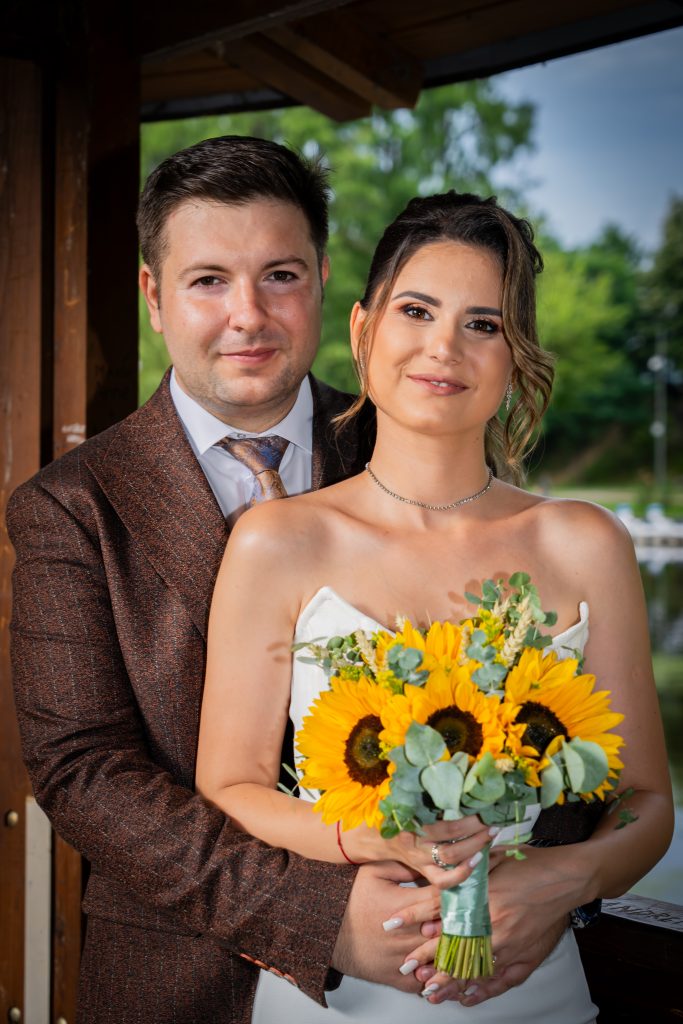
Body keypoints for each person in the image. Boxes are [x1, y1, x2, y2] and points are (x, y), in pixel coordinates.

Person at [7, 136, 461, 1024]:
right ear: (154, 296)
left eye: (279, 275)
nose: (247, 315)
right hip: (179, 978)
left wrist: (527, 872)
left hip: (439, 962)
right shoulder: (70, 506)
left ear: (321, 278)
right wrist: (318, 917)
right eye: (208, 280)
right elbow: (82, 769)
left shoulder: (418, 451)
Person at [196, 190, 674, 1022]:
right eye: (416, 310)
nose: (443, 347)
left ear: (515, 356)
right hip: (335, 995)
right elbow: (229, 784)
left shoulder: (584, 543)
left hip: (536, 991)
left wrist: (561, 880)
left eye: (482, 324)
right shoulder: (277, 541)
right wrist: (361, 837)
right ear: (362, 330)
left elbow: (646, 799)